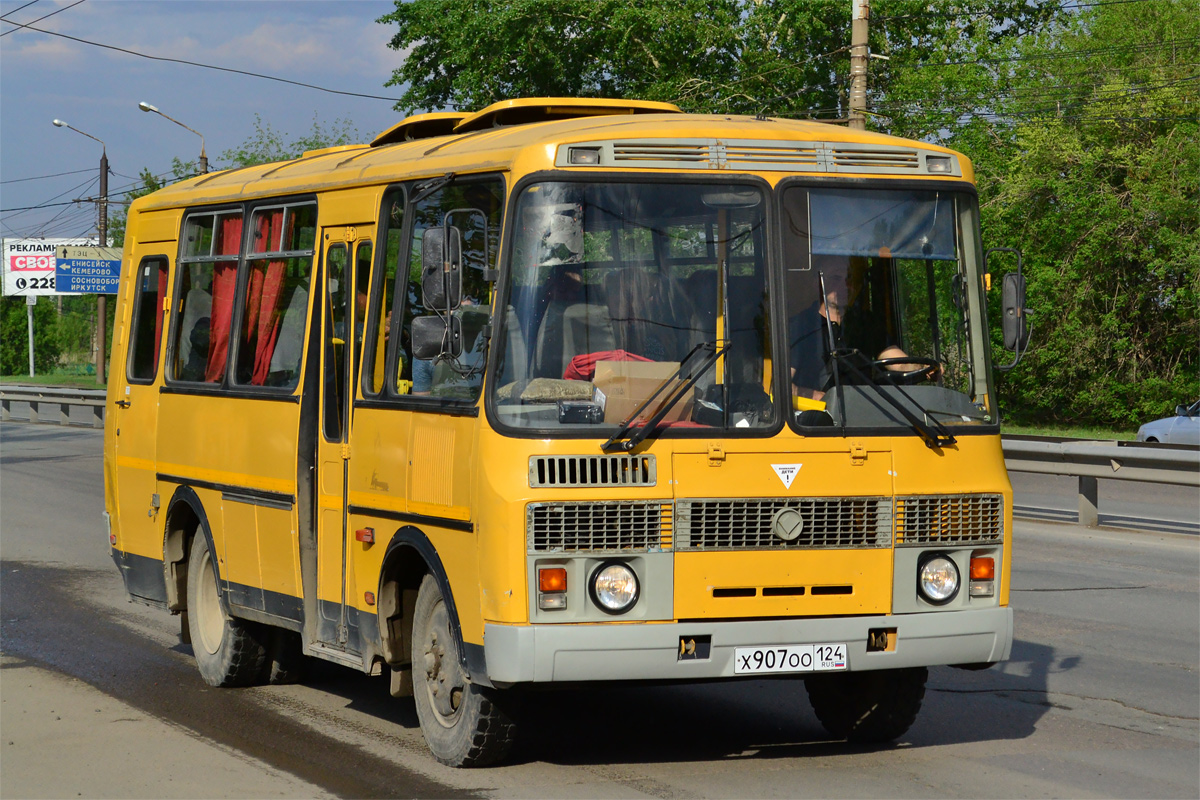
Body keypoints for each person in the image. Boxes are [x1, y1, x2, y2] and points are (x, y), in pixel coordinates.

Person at [789, 258, 933, 402]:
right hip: (814, 420)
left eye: (848, 279)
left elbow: (900, 364)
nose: (845, 286)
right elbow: (783, 388)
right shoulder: (801, 326)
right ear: (818, 283)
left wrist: (925, 367)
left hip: (861, 417)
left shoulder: (865, 323)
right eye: (835, 278)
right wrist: (824, 400)